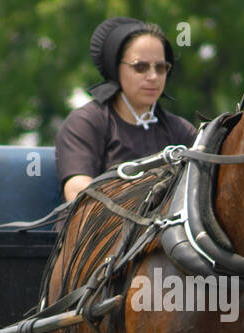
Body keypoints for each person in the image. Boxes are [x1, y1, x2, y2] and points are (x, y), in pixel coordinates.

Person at [55, 18, 196, 203]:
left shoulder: (181, 131)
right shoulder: (85, 123)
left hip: (165, 232)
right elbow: (77, 192)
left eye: (161, 68)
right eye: (140, 66)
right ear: (115, 69)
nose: (153, 76)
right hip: (100, 230)